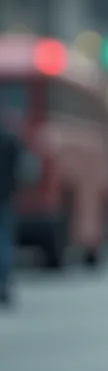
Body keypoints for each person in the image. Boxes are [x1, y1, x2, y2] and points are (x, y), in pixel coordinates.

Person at [0, 117, 27, 306]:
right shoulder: (10, 139)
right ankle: (3, 283)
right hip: (6, 195)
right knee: (4, 240)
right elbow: (24, 167)